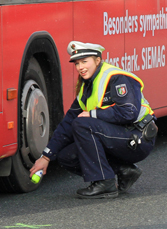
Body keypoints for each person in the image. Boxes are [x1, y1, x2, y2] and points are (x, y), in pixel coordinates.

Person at [30, 41, 157, 199]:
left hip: (138, 138)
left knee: (83, 124)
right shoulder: (86, 88)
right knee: (66, 156)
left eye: (85, 61)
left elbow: (129, 112)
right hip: (118, 138)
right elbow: (67, 123)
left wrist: (93, 114)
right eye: (77, 63)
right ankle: (123, 169)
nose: (80, 67)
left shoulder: (116, 78)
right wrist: (46, 157)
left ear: (97, 60)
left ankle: (105, 182)